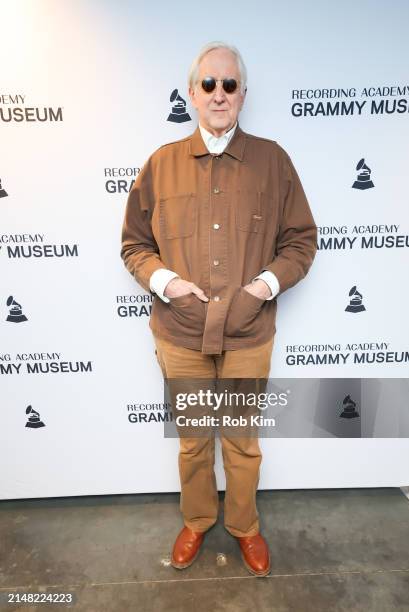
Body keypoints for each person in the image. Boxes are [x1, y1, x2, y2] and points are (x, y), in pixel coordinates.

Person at [121, 41, 317, 577]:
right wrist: (167, 283)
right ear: (191, 93)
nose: (219, 94)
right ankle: (198, 518)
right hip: (180, 332)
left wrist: (262, 288)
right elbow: (134, 245)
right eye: (209, 84)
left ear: (244, 94)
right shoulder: (161, 165)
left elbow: (301, 242)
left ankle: (245, 527)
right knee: (192, 443)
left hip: (248, 332)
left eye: (229, 84)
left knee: (242, 441)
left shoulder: (273, 161)